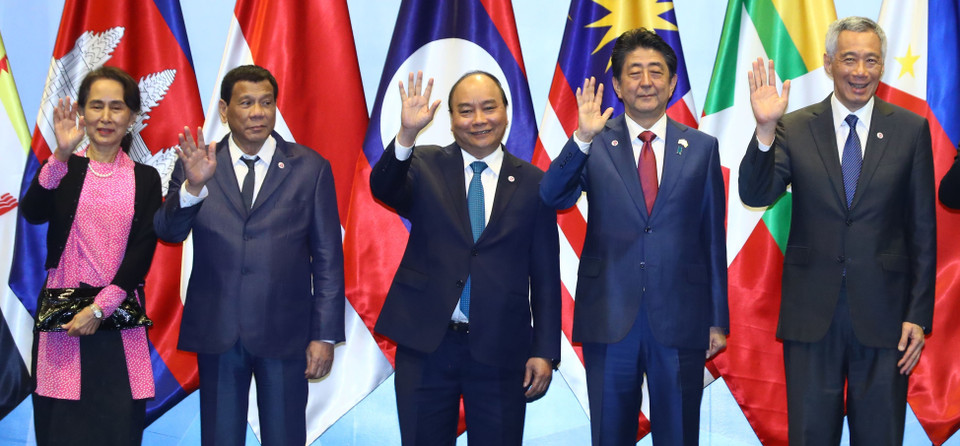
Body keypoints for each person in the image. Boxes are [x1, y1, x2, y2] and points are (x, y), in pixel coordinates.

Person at [739, 16, 936, 445]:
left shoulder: (910, 130)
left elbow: (923, 231)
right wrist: (766, 129)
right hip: (812, 318)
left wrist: (918, 316)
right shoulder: (795, 126)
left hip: (886, 320)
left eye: (871, 60)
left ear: (882, 66)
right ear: (828, 63)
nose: (860, 72)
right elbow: (755, 193)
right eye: (849, 59)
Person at [540, 28, 728, 446]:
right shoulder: (595, 143)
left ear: (672, 82)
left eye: (656, 72)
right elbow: (552, 195)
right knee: (610, 435)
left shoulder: (701, 147)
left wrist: (717, 317)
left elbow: (712, 236)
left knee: (679, 435)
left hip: (682, 319)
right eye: (635, 73)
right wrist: (582, 138)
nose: (646, 82)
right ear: (618, 86)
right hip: (610, 317)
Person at [154, 65, 344, 446]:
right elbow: (168, 232)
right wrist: (193, 187)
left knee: (285, 437)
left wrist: (324, 335)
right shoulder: (199, 164)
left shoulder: (310, 168)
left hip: (286, 335)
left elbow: (328, 259)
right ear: (224, 110)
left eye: (266, 102)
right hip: (218, 331)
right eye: (246, 103)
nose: (258, 112)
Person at [370, 70, 560, 446]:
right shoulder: (424, 163)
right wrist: (406, 134)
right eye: (466, 111)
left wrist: (545, 351)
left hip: (501, 349)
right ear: (451, 119)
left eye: (488, 108)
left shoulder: (535, 183)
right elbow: (384, 186)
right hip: (427, 344)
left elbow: (545, 275)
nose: (478, 120)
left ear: (506, 113)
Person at [19, 66, 161, 446]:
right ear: (81, 112)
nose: (106, 117)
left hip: (116, 317)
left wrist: (99, 309)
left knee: (117, 428)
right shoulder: (64, 167)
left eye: (117, 107)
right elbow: (32, 211)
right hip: (64, 321)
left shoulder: (145, 178)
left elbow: (142, 250)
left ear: (132, 117)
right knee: (62, 428)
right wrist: (60, 155)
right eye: (96, 106)